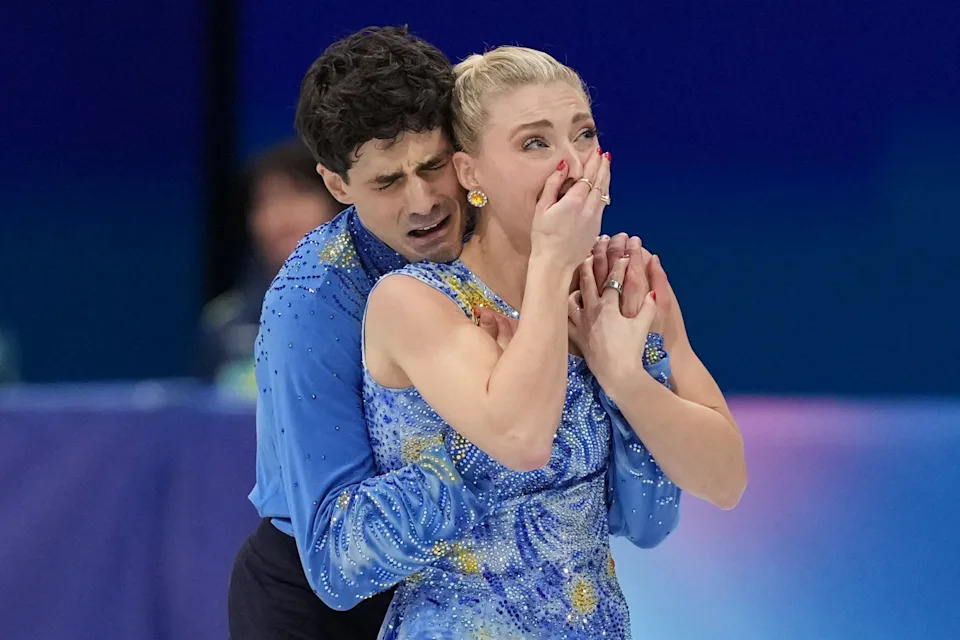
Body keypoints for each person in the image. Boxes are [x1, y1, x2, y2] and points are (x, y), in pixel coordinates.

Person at [355, 46, 747, 638]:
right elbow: (520, 438)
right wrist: (549, 270)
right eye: (535, 143)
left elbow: (725, 480)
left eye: (583, 135)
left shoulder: (616, 283)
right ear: (469, 174)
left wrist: (624, 377)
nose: (573, 162)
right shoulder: (413, 301)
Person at [200, 139, 343, 395]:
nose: (281, 219)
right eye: (265, 202)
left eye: (298, 195)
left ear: (337, 202)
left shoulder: (375, 308)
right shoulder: (226, 321)